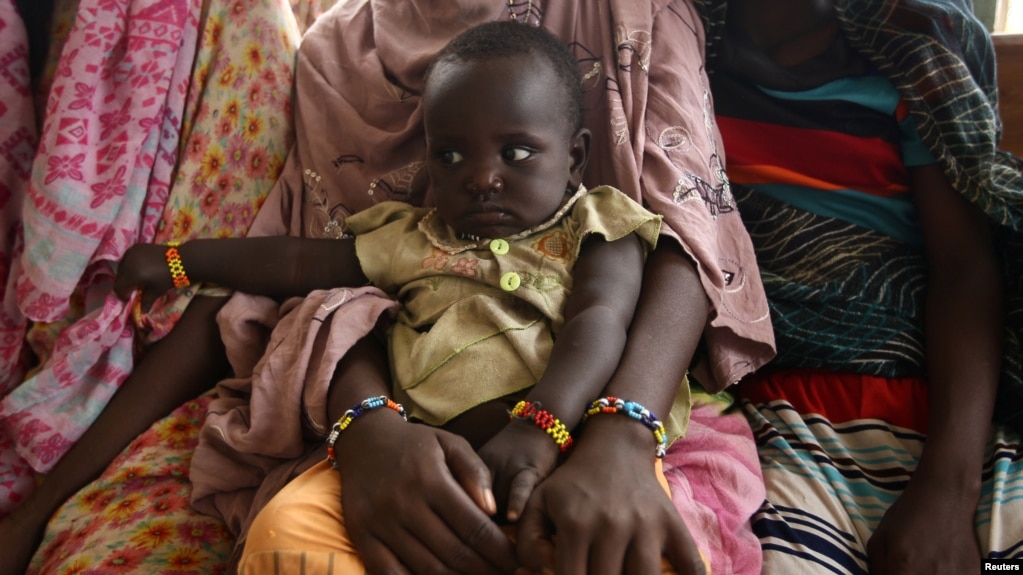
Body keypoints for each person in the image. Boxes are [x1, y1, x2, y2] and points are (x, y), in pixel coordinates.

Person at [158, 1, 775, 574]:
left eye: (516, 152)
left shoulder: (598, 223)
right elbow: (296, 264)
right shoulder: (411, 235)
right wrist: (181, 261)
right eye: (450, 158)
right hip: (424, 458)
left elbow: (601, 321)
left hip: (570, 444)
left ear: (576, 159)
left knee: (613, 548)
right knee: (282, 535)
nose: (482, 179)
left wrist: (542, 428)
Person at [694, 0, 1023, 573]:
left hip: (943, 411)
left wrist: (950, 490)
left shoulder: (918, 50)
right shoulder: (676, 56)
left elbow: (966, 271)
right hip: (768, 410)